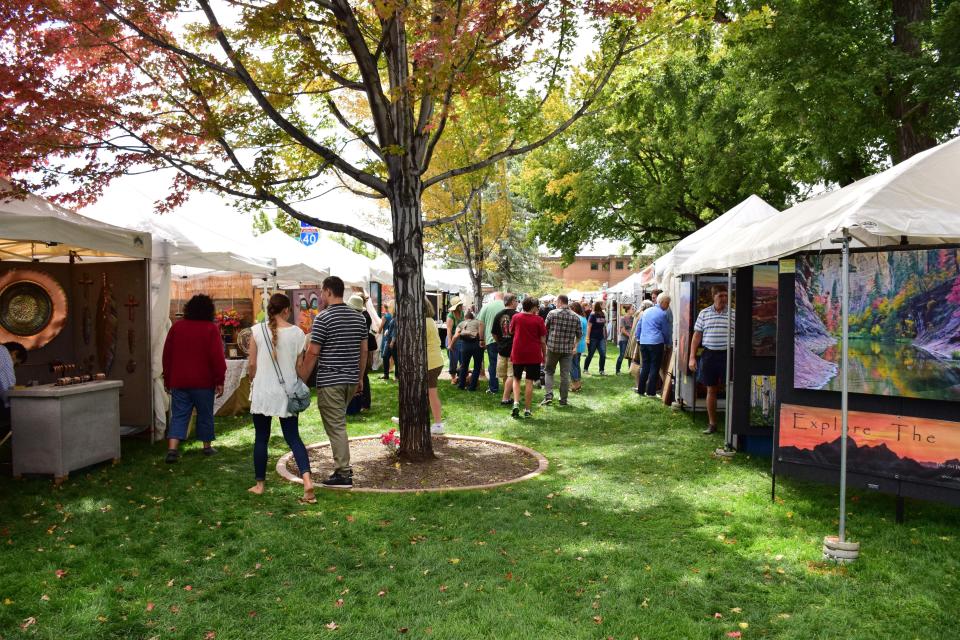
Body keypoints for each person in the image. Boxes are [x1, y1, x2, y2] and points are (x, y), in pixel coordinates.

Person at [297, 276, 368, 488]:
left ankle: (343, 473)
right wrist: (359, 377)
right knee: (338, 424)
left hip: (330, 381)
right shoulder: (359, 318)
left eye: (321, 292)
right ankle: (343, 466)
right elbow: (363, 350)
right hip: (349, 380)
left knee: (336, 426)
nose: (320, 296)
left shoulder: (323, 318)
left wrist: (301, 378)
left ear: (328, 291)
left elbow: (312, 353)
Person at [246, 293, 315, 503]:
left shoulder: (256, 331)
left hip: (263, 392)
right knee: (293, 437)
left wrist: (253, 380)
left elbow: (251, 365)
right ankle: (307, 481)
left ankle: (259, 485)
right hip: (287, 393)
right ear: (286, 310)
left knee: (261, 438)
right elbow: (298, 367)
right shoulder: (297, 333)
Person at [162, 294, 226, 464]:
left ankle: (172, 449)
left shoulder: (177, 328)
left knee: (179, 414)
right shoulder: (211, 328)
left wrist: (167, 379)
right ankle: (206, 447)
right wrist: (220, 380)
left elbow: (167, 356)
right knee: (205, 414)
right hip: (203, 382)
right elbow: (217, 357)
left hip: (179, 381)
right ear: (209, 310)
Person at [689, 285, 734, 435]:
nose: (724, 299)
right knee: (711, 389)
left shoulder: (733, 314)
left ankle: (733, 424)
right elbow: (696, 337)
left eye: (726, 296)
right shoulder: (704, 313)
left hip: (729, 354)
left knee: (732, 389)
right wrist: (692, 357)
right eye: (720, 296)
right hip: (709, 355)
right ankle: (712, 423)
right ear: (713, 296)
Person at [541, 295, 582, 407]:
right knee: (565, 375)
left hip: (553, 348)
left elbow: (544, 329)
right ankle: (563, 400)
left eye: (556, 301)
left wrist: (545, 343)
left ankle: (548, 396)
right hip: (567, 350)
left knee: (549, 371)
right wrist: (575, 345)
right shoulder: (575, 316)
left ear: (559, 301)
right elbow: (579, 334)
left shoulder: (552, 313)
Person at [509, 297, 547, 418]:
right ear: (534, 307)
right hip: (533, 353)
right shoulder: (539, 320)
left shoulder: (516, 317)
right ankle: (527, 409)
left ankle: (515, 402)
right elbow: (542, 340)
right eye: (537, 306)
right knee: (529, 381)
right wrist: (544, 355)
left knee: (516, 379)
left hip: (518, 351)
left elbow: (511, 331)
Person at [636, 294, 672, 397]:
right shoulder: (663, 314)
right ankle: (651, 392)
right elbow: (666, 331)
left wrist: (638, 338)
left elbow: (639, 326)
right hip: (656, 343)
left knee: (645, 366)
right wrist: (668, 343)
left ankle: (641, 390)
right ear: (662, 302)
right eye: (667, 303)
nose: (668, 306)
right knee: (654, 367)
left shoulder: (647, 311)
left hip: (644, 342)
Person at [346, 293, 377, 412]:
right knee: (361, 376)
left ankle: (364, 403)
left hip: (363, 350)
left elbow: (362, 342)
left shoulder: (363, 317)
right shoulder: (362, 316)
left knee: (363, 376)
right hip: (361, 349)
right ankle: (359, 403)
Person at [491, 294, 519, 406]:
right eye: (516, 300)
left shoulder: (498, 315)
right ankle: (506, 397)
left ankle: (508, 395)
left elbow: (494, 333)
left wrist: (499, 342)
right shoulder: (518, 315)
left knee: (504, 375)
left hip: (502, 349)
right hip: (514, 349)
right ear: (512, 302)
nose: (517, 302)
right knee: (511, 375)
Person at [424, 298, 446, 434]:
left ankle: (438, 424)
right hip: (435, 360)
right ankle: (414, 418)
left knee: (432, 393)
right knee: (427, 393)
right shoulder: (430, 320)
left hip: (431, 362)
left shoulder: (424, 322)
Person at [477, 292, 505, 395]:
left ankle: (494, 388)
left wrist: (481, 339)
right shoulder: (506, 306)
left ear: (494, 297)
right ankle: (509, 388)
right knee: (508, 363)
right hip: (506, 340)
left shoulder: (487, 306)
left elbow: (481, 323)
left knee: (493, 364)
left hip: (490, 339)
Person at [451, 311, 483, 391]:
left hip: (465, 345)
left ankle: (461, 385)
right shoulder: (479, 322)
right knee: (477, 367)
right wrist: (482, 341)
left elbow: (456, 336)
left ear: (465, 317)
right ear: (473, 317)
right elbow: (481, 333)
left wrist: (451, 345)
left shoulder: (461, 323)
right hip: (477, 345)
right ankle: (472, 387)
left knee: (464, 365)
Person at [0, 342, 26, 431]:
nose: (13, 366)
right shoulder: (3, 352)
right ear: (15, 353)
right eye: (15, 363)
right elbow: (7, 386)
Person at [584, 301, 608, 375]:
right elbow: (589, 326)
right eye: (603, 304)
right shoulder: (592, 314)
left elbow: (603, 327)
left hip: (601, 338)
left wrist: (605, 337)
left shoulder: (603, 314)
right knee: (590, 354)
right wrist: (587, 338)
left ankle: (601, 370)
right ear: (599, 305)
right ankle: (585, 369)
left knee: (603, 354)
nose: (605, 305)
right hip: (593, 338)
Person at [445, 297, 464, 385]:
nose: (461, 306)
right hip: (452, 338)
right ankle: (453, 378)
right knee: (453, 359)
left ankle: (461, 376)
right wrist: (450, 344)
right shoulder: (450, 316)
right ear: (456, 306)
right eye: (460, 305)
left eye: (461, 304)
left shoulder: (462, 313)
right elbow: (448, 331)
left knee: (462, 358)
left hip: (460, 339)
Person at [569, 302, 587, 393]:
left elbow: (577, 333)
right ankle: (578, 383)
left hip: (577, 344)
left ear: (574, 309)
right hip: (581, 344)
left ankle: (575, 385)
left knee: (573, 365)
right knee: (576, 365)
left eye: (571, 308)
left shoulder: (578, 318)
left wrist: (574, 346)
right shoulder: (583, 318)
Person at [378, 302, 396, 380]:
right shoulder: (392, 317)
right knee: (385, 356)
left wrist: (392, 341)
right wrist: (387, 331)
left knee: (395, 358)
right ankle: (386, 375)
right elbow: (390, 328)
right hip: (388, 340)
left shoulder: (394, 318)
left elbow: (395, 330)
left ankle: (397, 376)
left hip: (392, 341)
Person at [615, 304, 634, 375]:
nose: (633, 310)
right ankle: (617, 370)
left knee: (630, 355)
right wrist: (630, 336)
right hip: (623, 340)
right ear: (628, 310)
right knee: (622, 355)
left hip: (630, 340)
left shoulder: (633, 318)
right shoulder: (623, 318)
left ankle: (630, 370)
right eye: (632, 309)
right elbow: (622, 330)